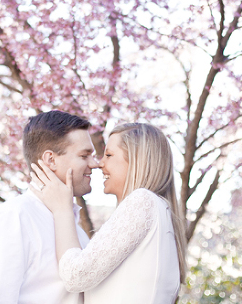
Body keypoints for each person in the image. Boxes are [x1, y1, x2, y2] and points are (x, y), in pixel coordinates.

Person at [30, 122, 187, 304]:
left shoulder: (143, 201)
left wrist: (62, 209)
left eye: (109, 155)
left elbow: (75, 276)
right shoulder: (161, 210)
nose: (100, 164)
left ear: (137, 159)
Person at [0, 110, 100, 304]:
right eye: (84, 155)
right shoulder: (13, 219)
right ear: (50, 160)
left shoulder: (77, 232)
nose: (94, 164)